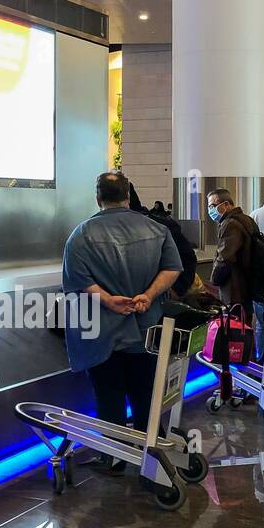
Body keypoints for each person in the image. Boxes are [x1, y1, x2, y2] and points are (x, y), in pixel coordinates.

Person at [62, 171, 182, 471]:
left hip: (102, 333)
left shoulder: (81, 234)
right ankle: (150, 451)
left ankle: (113, 455)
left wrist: (108, 299)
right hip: (146, 327)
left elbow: (77, 280)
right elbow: (173, 268)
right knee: (145, 392)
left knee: (109, 394)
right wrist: (148, 295)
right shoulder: (157, 229)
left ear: (98, 197)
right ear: (127, 195)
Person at [205, 187, 261, 310]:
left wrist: (214, 279)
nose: (210, 210)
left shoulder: (230, 224)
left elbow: (225, 257)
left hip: (234, 288)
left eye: (212, 206)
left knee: (234, 324)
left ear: (225, 205)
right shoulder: (247, 220)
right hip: (247, 284)